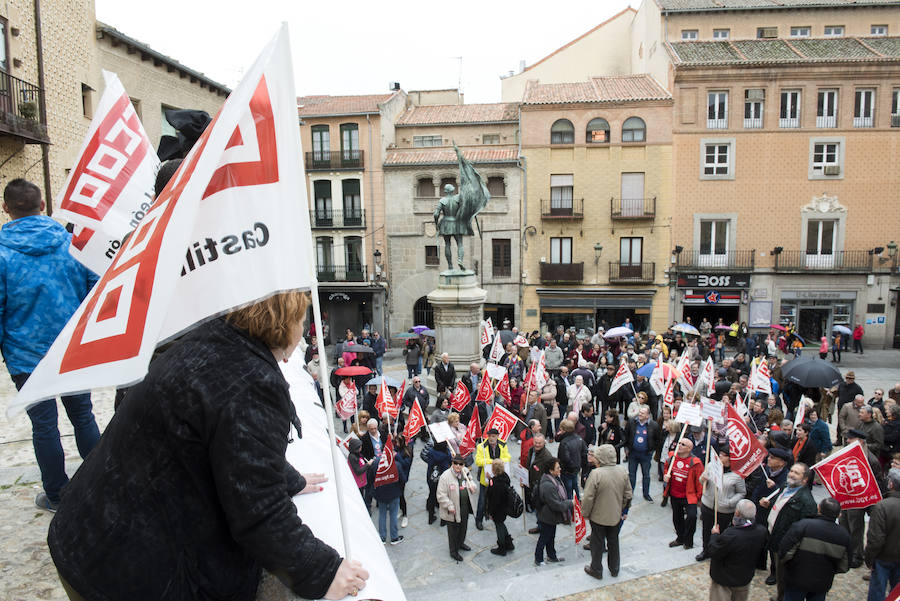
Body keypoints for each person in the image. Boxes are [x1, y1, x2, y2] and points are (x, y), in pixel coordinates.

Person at [47, 291, 369, 600]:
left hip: (84, 535)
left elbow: (233, 443)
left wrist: (287, 479)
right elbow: (260, 514)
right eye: (303, 319)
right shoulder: (253, 381)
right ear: (287, 322)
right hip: (122, 573)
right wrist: (323, 572)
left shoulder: (214, 339)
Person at [0, 179, 101, 512]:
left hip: (26, 356)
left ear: (6, 209)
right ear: (43, 205)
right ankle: (103, 482)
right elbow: (95, 294)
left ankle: (57, 495)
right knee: (83, 417)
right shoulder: (72, 244)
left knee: (44, 426)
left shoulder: (1, 253)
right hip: (71, 350)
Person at [759, 462, 818, 594]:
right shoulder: (786, 486)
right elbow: (780, 506)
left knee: (784, 577)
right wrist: (769, 504)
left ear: (805, 479)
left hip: (785, 543)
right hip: (774, 534)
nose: (791, 474)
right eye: (791, 471)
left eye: (796, 473)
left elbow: (804, 531)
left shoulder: (807, 502)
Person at [778, 497, 850, 601]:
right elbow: (844, 565)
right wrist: (829, 571)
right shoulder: (844, 535)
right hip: (822, 582)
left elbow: (784, 552)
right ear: (839, 515)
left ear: (818, 508)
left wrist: (791, 566)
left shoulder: (802, 526)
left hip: (796, 579)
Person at [581, 444, 632, 580]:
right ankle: (614, 568)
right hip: (615, 515)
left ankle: (596, 569)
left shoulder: (596, 474)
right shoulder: (622, 471)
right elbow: (628, 494)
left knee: (597, 543)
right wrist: (622, 508)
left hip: (598, 516)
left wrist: (585, 513)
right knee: (613, 542)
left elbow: (588, 497)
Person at [841, 429, 887, 569]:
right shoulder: (850, 453)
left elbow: (877, 484)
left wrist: (871, 504)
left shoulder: (871, 459)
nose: (847, 441)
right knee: (844, 523)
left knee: (856, 527)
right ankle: (845, 550)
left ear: (860, 441)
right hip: (848, 495)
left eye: (851, 439)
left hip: (860, 499)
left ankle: (857, 554)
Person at [707, 499, 767, 601]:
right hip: (743, 578)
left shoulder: (731, 535)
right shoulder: (761, 531)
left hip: (724, 579)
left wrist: (715, 535)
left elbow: (713, 551)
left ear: (737, 513)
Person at [696, 448, 746, 562]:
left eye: (724, 455)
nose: (720, 457)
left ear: (730, 458)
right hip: (708, 504)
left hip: (724, 510)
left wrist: (729, 502)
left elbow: (741, 493)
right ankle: (705, 550)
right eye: (720, 454)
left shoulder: (737, 475)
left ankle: (718, 553)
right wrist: (702, 479)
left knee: (721, 533)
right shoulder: (711, 466)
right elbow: (702, 481)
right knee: (706, 530)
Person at [866, 468, 900, 601]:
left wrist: (869, 558)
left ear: (891, 484)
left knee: (877, 591)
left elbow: (876, 539)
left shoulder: (882, 506)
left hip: (883, 558)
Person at [664, 437, 705, 550]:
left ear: (689, 449)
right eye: (679, 443)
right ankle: (680, 538)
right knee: (677, 518)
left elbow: (699, 482)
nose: (679, 445)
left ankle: (688, 541)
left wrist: (699, 497)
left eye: (683, 444)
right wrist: (666, 475)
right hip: (674, 494)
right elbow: (667, 469)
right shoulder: (672, 458)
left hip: (689, 496)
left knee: (692, 517)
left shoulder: (696, 463)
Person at [437, 454, 477, 562]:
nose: (458, 466)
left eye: (461, 464)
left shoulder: (465, 471)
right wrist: (449, 506)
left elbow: (471, 480)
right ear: (452, 463)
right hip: (453, 509)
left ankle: (461, 543)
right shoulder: (445, 476)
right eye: (456, 463)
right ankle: (453, 551)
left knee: (463, 527)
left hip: (464, 507)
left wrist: (472, 486)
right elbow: (441, 495)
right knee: (453, 531)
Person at [534, 459, 573, 566]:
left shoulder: (554, 479)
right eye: (557, 468)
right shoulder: (548, 485)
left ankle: (552, 556)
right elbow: (556, 505)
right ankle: (538, 559)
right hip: (547, 517)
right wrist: (571, 503)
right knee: (544, 538)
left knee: (550, 538)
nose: (560, 469)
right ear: (551, 471)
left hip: (551, 517)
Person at [374, 434, 411, 545]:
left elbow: (371, 478)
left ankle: (382, 537)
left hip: (380, 493)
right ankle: (394, 537)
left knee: (382, 514)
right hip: (394, 494)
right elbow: (403, 479)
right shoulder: (397, 465)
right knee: (393, 515)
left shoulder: (376, 463)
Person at [474, 428, 511, 530]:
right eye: (489, 436)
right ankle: (479, 520)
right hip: (485, 479)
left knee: (497, 500)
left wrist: (496, 462)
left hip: (499, 480)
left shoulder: (503, 445)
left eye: (493, 436)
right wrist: (492, 461)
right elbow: (478, 461)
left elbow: (508, 457)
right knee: (482, 501)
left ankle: (496, 518)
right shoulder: (481, 446)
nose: (491, 438)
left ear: (497, 436)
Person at [625, 406, 661, 503]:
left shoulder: (654, 425)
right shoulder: (632, 422)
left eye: (643, 413)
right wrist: (626, 448)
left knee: (646, 475)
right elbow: (626, 436)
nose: (640, 414)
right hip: (633, 454)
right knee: (631, 475)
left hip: (646, 455)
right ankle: (630, 493)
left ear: (648, 415)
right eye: (640, 412)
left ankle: (646, 494)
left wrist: (651, 451)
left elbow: (658, 440)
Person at [485, 458, 515, 556]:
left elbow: (494, 500)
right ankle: (509, 543)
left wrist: (490, 512)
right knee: (501, 524)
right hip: (504, 507)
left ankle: (502, 547)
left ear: (493, 470)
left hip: (498, 510)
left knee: (499, 526)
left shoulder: (496, 484)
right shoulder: (505, 477)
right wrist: (491, 479)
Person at [525, 434, 554, 534]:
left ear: (544, 443)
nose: (537, 445)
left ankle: (542, 528)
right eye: (535, 442)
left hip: (541, 488)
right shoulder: (531, 450)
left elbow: (551, 474)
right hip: (532, 485)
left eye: (539, 443)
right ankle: (539, 525)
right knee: (536, 508)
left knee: (540, 510)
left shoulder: (547, 456)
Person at [557, 419, 587, 500]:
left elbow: (564, 458)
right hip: (576, 468)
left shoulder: (564, 442)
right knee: (575, 487)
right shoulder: (579, 438)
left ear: (564, 430)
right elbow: (584, 452)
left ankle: (570, 509)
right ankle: (577, 505)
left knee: (568, 491)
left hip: (567, 470)